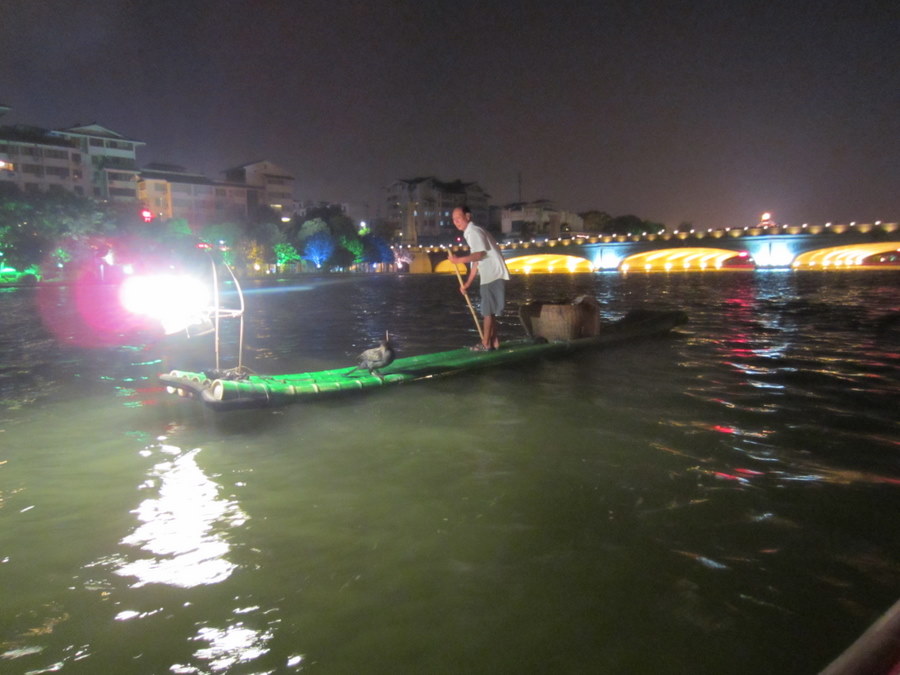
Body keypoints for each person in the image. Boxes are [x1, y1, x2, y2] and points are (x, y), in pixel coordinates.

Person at [447, 205, 510, 351]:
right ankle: (494, 341)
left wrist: (458, 260)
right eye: (453, 219)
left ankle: (485, 343)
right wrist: (468, 283)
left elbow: (479, 254)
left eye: (458, 218)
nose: (456, 222)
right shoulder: (472, 232)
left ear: (467, 216)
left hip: (492, 273)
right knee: (490, 310)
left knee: (487, 311)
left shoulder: (474, 232)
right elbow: (477, 261)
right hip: (492, 273)